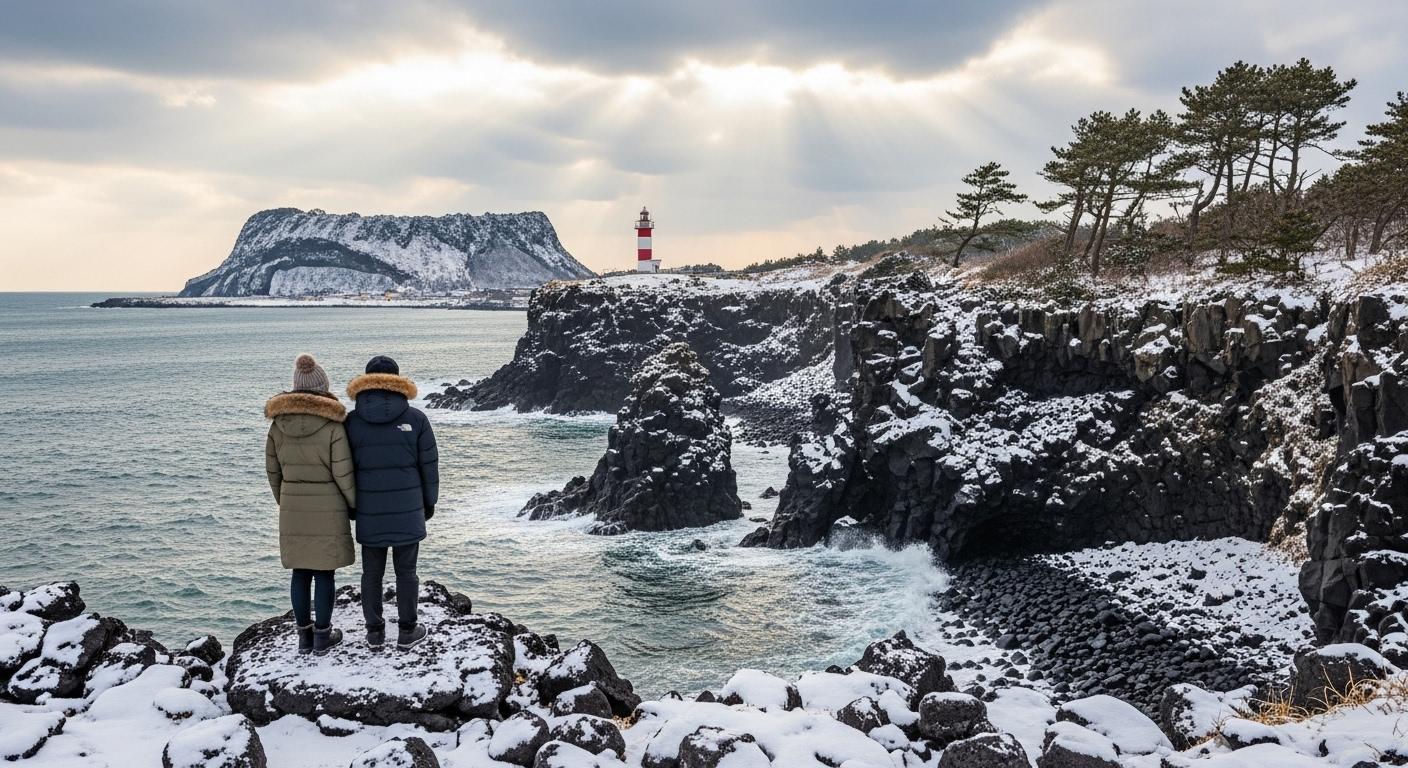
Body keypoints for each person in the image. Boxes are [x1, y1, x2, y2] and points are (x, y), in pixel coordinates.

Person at [264, 354, 356, 656]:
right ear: (323, 386)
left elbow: (272, 470)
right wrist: (354, 506)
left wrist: (284, 500)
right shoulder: (332, 423)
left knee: (300, 572)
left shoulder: (279, 424)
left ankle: (303, 638)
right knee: (324, 572)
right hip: (328, 505)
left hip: (292, 505)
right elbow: (343, 472)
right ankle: (322, 637)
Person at [345, 355, 439, 649]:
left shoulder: (351, 421)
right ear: (398, 380)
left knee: (371, 573)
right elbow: (429, 467)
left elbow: (344, 469)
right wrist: (429, 503)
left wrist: (351, 506)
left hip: (368, 510)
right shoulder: (416, 419)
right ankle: (407, 631)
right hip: (408, 510)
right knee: (406, 572)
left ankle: (374, 633)